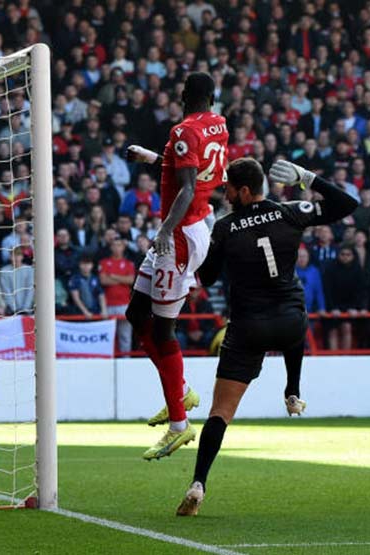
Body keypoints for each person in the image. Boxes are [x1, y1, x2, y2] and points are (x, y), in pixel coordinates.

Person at [175, 157, 358, 516]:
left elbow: (208, 278)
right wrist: (308, 177)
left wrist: (208, 237)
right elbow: (347, 205)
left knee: (220, 413)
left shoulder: (226, 227)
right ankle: (293, 391)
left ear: (244, 190)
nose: (225, 193)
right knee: (295, 316)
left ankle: (198, 483)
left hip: (247, 328)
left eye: (228, 188)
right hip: (289, 322)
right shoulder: (290, 211)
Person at [124, 72, 229, 460]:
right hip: (196, 221)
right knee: (135, 313)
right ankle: (180, 393)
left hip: (181, 233)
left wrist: (165, 230)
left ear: (184, 95)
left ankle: (179, 424)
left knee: (163, 329)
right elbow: (198, 177)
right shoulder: (217, 125)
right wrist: (152, 157)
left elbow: (186, 188)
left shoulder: (184, 129)